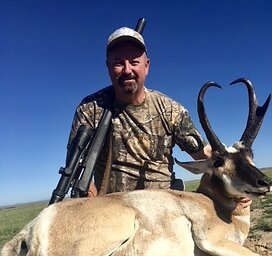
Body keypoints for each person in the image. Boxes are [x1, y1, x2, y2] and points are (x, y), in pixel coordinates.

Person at [67, 26, 211, 196]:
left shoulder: (170, 110)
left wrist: (240, 179)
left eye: (134, 62)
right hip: (113, 210)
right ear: (108, 67)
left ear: (147, 66)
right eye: (118, 63)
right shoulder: (90, 109)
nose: (127, 70)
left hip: (165, 208)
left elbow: (205, 155)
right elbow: (75, 168)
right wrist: (92, 205)